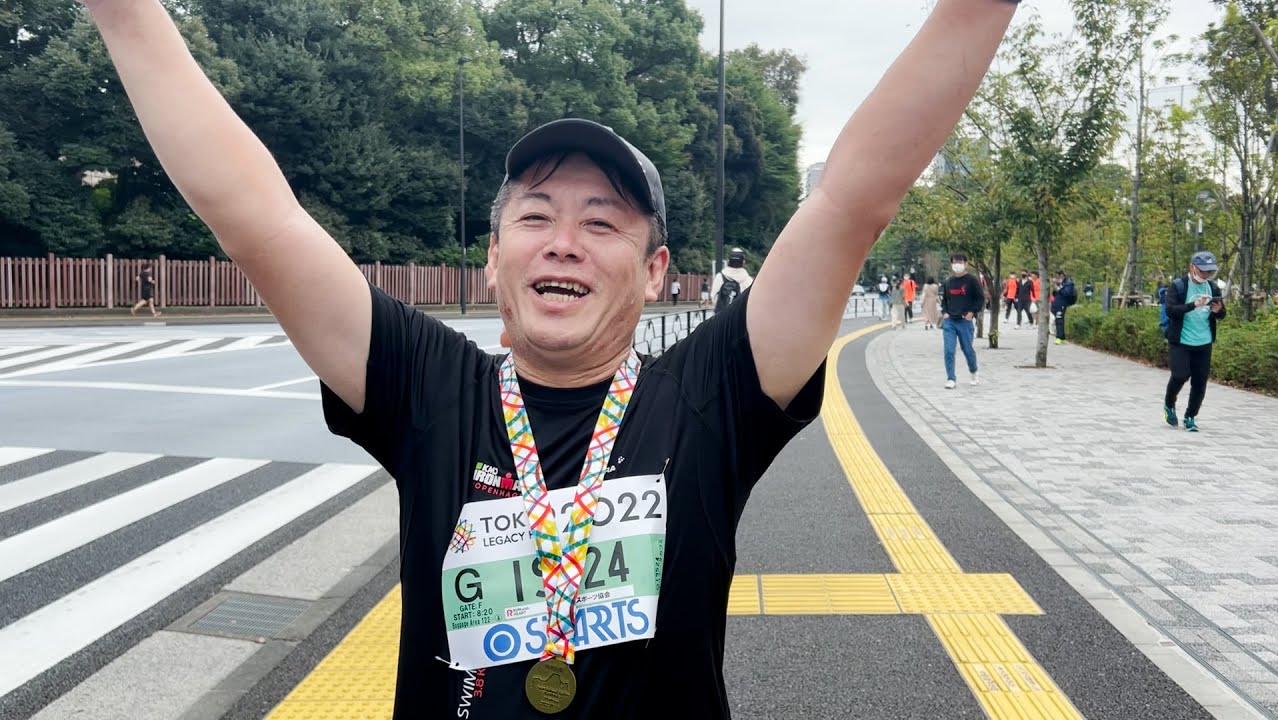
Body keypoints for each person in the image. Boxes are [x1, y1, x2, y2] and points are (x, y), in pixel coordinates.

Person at [79, 0, 1018, 715]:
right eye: (534, 217)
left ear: (654, 273)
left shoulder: (710, 396)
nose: (562, 242)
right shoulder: (427, 389)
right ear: (494, 259)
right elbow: (259, 219)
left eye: (600, 223)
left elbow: (854, 198)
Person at [1163, 251, 1227, 433]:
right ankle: (1169, 404)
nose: (1206, 275)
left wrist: (1217, 311)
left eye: (1210, 272)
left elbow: (1222, 314)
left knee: (1200, 382)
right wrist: (1194, 305)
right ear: (1192, 267)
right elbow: (1171, 310)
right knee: (1180, 375)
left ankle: (1190, 417)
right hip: (1181, 341)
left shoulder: (1213, 288)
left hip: (1204, 341)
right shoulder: (1178, 286)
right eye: (1203, 271)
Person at [941, 252, 983, 389]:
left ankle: (973, 371)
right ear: (951, 264)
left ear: (965, 264)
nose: (957, 265)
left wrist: (972, 312)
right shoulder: (948, 282)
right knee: (949, 350)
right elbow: (944, 300)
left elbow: (980, 299)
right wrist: (945, 312)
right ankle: (951, 378)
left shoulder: (972, 280)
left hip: (965, 321)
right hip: (950, 321)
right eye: (955, 262)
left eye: (960, 262)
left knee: (967, 349)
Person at [711, 247, 753, 314]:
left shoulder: (720, 276)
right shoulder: (748, 280)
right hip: (740, 317)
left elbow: (714, 298)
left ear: (728, 261)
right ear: (743, 262)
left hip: (722, 318)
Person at [1050, 269, 1076, 345]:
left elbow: (1066, 293)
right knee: (1057, 320)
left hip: (1062, 304)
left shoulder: (1069, 283)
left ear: (1061, 275)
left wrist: (1058, 288)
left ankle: (1059, 337)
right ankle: (1062, 337)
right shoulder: (1060, 283)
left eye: (1057, 277)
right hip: (1056, 303)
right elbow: (1055, 294)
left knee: (1059, 320)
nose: (1056, 278)